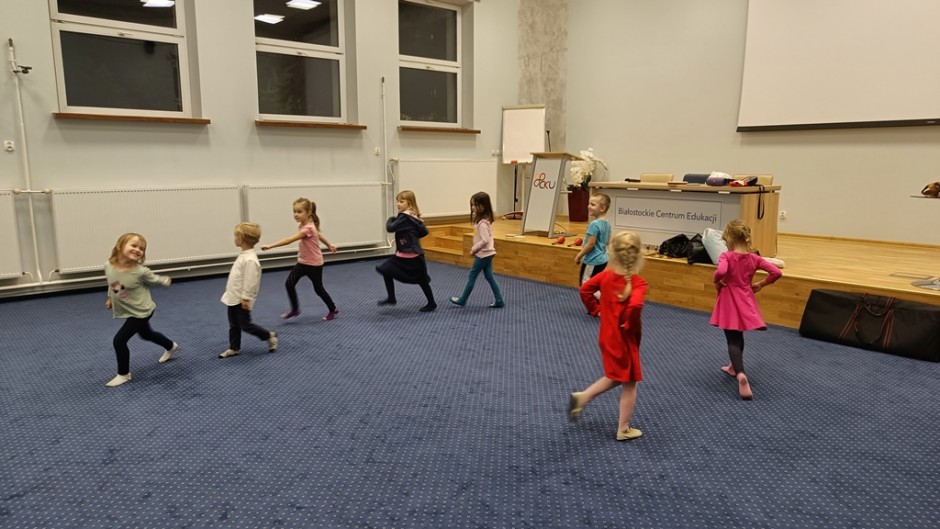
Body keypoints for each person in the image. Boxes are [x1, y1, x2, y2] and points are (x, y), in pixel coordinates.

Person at [568, 231, 647, 441]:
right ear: (638, 255)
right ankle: (624, 429)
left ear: (612, 253)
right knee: (630, 382)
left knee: (617, 375)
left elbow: (585, 290)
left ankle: (583, 397)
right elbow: (636, 305)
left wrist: (596, 310)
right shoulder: (638, 283)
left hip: (607, 335)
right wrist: (629, 323)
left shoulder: (606, 275)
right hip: (624, 339)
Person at [710, 219, 782, 400]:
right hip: (745, 299)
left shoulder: (726, 256)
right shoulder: (754, 258)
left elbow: (721, 271)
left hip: (729, 300)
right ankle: (733, 367)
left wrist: (716, 280)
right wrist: (761, 284)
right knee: (739, 334)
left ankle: (740, 373)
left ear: (730, 239)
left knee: (732, 339)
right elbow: (777, 272)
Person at [103, 233, 178, 387]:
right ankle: (171, 346)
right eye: (133, 245)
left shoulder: (140, 271)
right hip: (130, 309)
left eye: (141, 248)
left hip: (141, 311)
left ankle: (124, 374)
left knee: (119, 341)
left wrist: (166, 280)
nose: (138, 250)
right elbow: (113, 282)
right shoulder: (108, 266)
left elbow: (155, 279)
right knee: (146, 334)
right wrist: (110, 297)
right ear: (119, 246)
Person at [261, 197, 339, 321]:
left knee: (319, 289)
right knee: (289, 283)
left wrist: (270, 246)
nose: (296, 214)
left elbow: (289, 240)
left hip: (314, 264)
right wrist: (329, 245)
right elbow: (318, 234)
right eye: (294, 211)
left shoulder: (308, 228)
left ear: (308, 213)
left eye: (299, 211)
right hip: (303, 262)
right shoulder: (305, 225)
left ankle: (333, 309)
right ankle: (295, 309)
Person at [219, 222, 278, 359]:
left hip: (241, 299)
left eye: (236, 236)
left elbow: (250, 281)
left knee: (245, 325)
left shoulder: (250, 260)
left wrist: (246, 298)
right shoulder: (244, 255)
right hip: (233, 296)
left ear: (242, 239)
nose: (234, 238)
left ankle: (269, 335)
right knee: (233, 324)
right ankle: (234, 348)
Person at [376, 190, 436, 312]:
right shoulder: (414, 217)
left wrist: (391, 218)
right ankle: (430, 302)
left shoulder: (404, 217)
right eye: (397, 201)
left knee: (421, 280)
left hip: (409, 255)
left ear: (410, 203)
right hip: (412, 255)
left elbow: (390, 227)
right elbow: (424, 232)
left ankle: (430, 303)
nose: (398, 204)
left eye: (401, 201)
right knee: (387, 270)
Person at [449, 191, 505, 308]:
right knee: (489, 277)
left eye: (475, 205)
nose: (473, 207)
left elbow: (485, 240)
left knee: (472, 276)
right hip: (487, 253)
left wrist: (474, 249)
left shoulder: (482, 224)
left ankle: (462, 299)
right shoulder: (483, 222)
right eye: (472, 205)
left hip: (483, 254)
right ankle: (499, 300)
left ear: (483, 206)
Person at [574, 193, 612, 285]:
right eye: (589, 203)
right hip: (603, 260)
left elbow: (590, 244)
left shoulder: (594, 224)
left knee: (586, 285)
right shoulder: (607, 223)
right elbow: (608, 241)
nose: (588, 206)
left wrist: (579, 255)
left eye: (592, 204)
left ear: (602, 208)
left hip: (592, 261)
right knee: (597, 284)